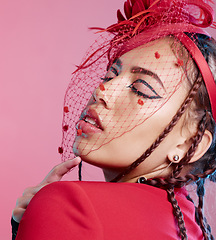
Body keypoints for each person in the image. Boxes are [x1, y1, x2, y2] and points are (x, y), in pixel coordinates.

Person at [12, 0, 216, 239]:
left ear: (189, 144)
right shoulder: (189, 225)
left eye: (140, 88)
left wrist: (42, 216)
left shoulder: (70, 205)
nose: (103, 91)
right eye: (111, 74)